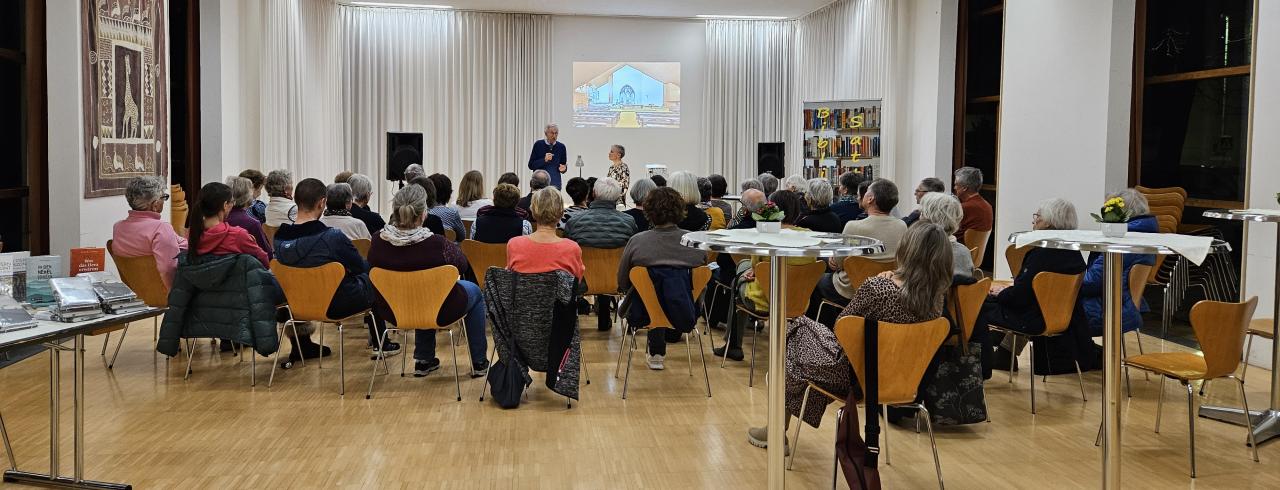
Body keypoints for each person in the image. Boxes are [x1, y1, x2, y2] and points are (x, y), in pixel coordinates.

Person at [750, 222, 953, 449]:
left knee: (795, 331)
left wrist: (883, 280)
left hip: (854, 376)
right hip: (903, 381)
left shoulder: (878, 288)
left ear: (906, 250)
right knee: (800, 346)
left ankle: (776, 430)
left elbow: (843, 327)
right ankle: (781, 423)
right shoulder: (937, 301)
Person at [368, 184, 488, 377]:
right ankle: (479, 362)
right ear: (424, 213)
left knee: (421, 291)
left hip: (392, 309)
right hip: (439, 308)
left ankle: (424, 360)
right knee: (473, 291)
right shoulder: (437, 244)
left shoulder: (377, 241)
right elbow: (462, 265)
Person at [274, 178, 397, 361]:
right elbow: (358, 266)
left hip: (296, 304)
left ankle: (302, 346)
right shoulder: (331, 237)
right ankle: (382, 344)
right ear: (322, 202)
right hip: (334, 304)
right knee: (372, 276)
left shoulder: (280, 238)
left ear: (296, 200)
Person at [975, 198, 1086, 378]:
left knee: (976, 304)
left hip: (1032, 318)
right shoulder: (1073, 253)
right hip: (1060, 318)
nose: (1033, 221)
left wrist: (1001, 293)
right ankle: (1003, 349)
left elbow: (1020, 297)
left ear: (1048, 222)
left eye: (1038, 216)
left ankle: (981, 364)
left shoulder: (1041, 254)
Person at [714, 191, 814, 361]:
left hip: (763, 300)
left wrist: (753, 271)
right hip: (799, 301)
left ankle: (733, 345)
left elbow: (755, 265)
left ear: (771, 209)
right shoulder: (809, 236)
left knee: (739, 275)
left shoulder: (765, 237)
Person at [617, 187, 710, 370]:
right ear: (680, 209)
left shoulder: (637, 242)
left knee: (651, 290)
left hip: (642, 312)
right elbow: (703, 275)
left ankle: (656, 353)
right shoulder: (694, 243)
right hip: (685, 309)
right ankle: (657, 351)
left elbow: (622, 281)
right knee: (670, 286)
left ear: (648, 211)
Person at [811, 178, 906, 315]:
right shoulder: (902, 226)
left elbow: (838, 264)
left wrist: (834, 259)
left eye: (866, 192)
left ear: (870, 199)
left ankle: (821, 325)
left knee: (814, 279)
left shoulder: (853, 226)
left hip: (850, 289)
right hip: (888, 288)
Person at [1081, 189, 1157, 335]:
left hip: (1108, 307)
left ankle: (1083, 350)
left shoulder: (1124, 240)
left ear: (1119, 213)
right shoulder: (1146, 235)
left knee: (1051, 305)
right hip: (1126, 305)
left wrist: (1067, 283)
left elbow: (1092, 282)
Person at [566, 178, 637, 331]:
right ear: (618, 197)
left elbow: (567, 253)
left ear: (593, 193)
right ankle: (605, 315)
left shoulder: (574, 222)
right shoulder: (628, 222)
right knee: (610, 265)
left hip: (582, 282)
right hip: (618, 281)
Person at [111, 176, 187, 290]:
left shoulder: (118, 227)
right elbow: (169, 269)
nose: (164, 201)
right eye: (163, 197)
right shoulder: (161, 229)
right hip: (165, 293)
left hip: (136, 292)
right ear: (155, 205)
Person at [507, 188, 585, 279]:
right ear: (561, 213)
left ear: (533, 212)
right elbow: (578, 280)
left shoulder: (514, 244)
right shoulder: (572, 248)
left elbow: (510, 279)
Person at [187, 182, 268, 269]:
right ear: (225, 205)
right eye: (232, 202)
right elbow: (264, 261)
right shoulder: (238, 236)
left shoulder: (192, 234)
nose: (233, 205)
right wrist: (252, 242)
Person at [917, 192, 975, 278]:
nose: (919, 218)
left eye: (922, 213)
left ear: (930, 219)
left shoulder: (921, 251)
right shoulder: (964, 251)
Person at [224, 176, 273, 259]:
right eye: (251, 190)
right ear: (247, 196)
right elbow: (267, 254)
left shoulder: (219, 219)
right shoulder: (252, 223)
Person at [953, 166, 993, 241]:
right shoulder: (988, 206)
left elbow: (949, 233)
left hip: (960, 247)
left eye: (956, 184)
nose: (954, 188)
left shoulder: (964, 208)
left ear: (964, 188)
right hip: (976, 248)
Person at [527, 123, 567, 189]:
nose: (554, 135)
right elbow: (531, 165)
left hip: (555, 184)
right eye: (552, 133)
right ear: (546, 134)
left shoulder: (561, 147)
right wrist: (544, 160)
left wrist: (564, 169)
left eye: (556, 133)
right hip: (539, 184)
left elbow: (563, 165)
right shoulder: (538, 144)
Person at [427, 174, 465, 241]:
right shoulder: (452, 213)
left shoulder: (422, 213)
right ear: (449, 193)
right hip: (447, 246)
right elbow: (462, 236)